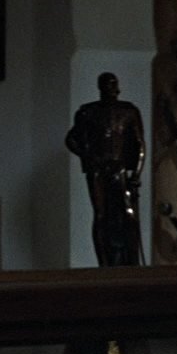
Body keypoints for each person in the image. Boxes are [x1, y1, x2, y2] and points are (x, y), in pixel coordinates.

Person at [63, 72, 146, 266]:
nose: (111, 89)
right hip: (98, 169)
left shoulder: (128, 111)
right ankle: (104, 263)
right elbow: (71, 140)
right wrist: (89, 157)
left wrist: (136, 173)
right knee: (100, 215)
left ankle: (132, 261)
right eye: (107, 85)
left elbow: (140, 144)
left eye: (113, 84)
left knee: (129, 213)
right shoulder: (88, 112)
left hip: (120, 167)